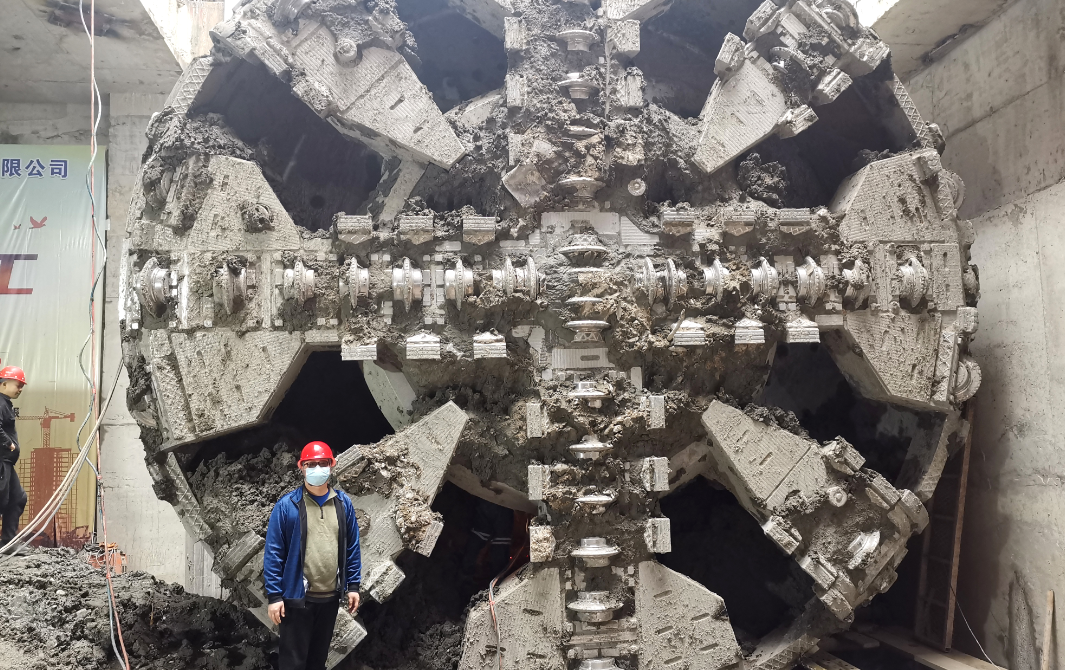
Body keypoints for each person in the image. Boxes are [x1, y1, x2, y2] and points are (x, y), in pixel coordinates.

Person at [264, 441, 362, 670]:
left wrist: (353, 586)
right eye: (311, 464)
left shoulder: (343, 504)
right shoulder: (287, 506)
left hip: (329, 600)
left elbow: (352, 547)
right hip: (297, 601)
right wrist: (275, 597)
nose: (318, 468)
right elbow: (274, 553)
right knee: (293, 664)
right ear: (302, 467)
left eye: (323, 463)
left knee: (317, 662)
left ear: (332, 465)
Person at [0, 366, 28, 556]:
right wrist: (8, 443)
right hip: (1, 461)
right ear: (3, 384)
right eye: (18, 385)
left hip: (7, 463)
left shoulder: (5, 403)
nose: (20, 389)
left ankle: (8, 543)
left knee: (17, 498)